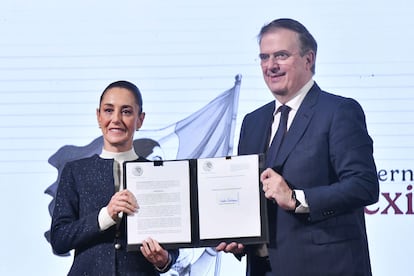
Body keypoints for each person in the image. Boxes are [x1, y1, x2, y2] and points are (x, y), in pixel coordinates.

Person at [216, 18, 379, 276]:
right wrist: (240, 236)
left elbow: (364, 186)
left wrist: (296, 199)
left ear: (309, 59)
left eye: (281, 55)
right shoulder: (253, 121)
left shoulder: (339, 111)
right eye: (264, 57)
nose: (271, 65)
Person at [50, 80, 179, 275]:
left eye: (126, 111)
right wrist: (106, 215)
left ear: (140, 119)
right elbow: (59, 240)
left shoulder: (158, 172)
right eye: (108, 110)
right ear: (98, 116)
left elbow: (172, 243)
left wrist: (164, 260)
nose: (116, 119)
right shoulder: (76, 172)